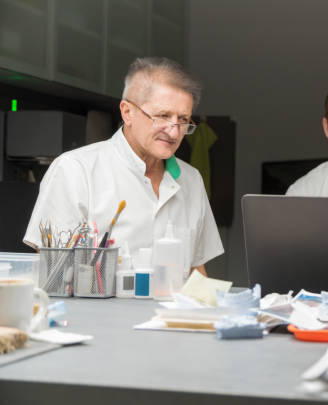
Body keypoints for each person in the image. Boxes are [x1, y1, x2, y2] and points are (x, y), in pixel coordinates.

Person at [24, 57, 223, 276]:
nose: (174, 132)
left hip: (173, 312)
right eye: (162, 116)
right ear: (128, 112)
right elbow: (55, 275)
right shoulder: (74, 170)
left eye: (183, 120)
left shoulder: (191, 179)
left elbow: (196, 269)